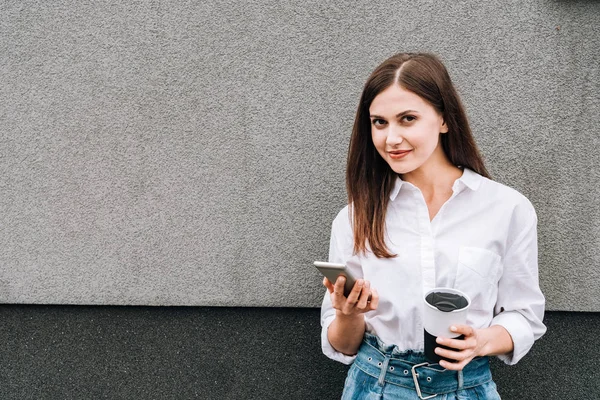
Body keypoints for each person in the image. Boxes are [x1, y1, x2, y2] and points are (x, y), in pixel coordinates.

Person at [320, 53, 546, 399]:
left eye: (407, 119)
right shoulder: (354, 218)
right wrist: (348, 315)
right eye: (379, 122)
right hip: (375, 386)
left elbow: (524, 315)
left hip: (465, 387)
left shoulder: (506, 209)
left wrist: (480, 342)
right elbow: (343, 346)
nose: (391, 138)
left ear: (443, 118)